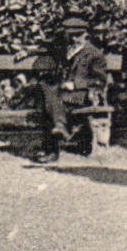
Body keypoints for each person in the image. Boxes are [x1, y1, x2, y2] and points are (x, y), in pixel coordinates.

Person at [33, 16, 110, 163]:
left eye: (77, 35)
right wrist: (26, 52)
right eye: (71, 36)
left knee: (49, 99)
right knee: (46, 89)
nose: (74, 39)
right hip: (61, 94)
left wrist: (75, 84)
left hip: (80, 95)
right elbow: (45, 48)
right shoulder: (65, 51)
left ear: (86, 35)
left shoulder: (94, 54)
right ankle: (59, 128)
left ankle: (52, 147)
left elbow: (100, 81)